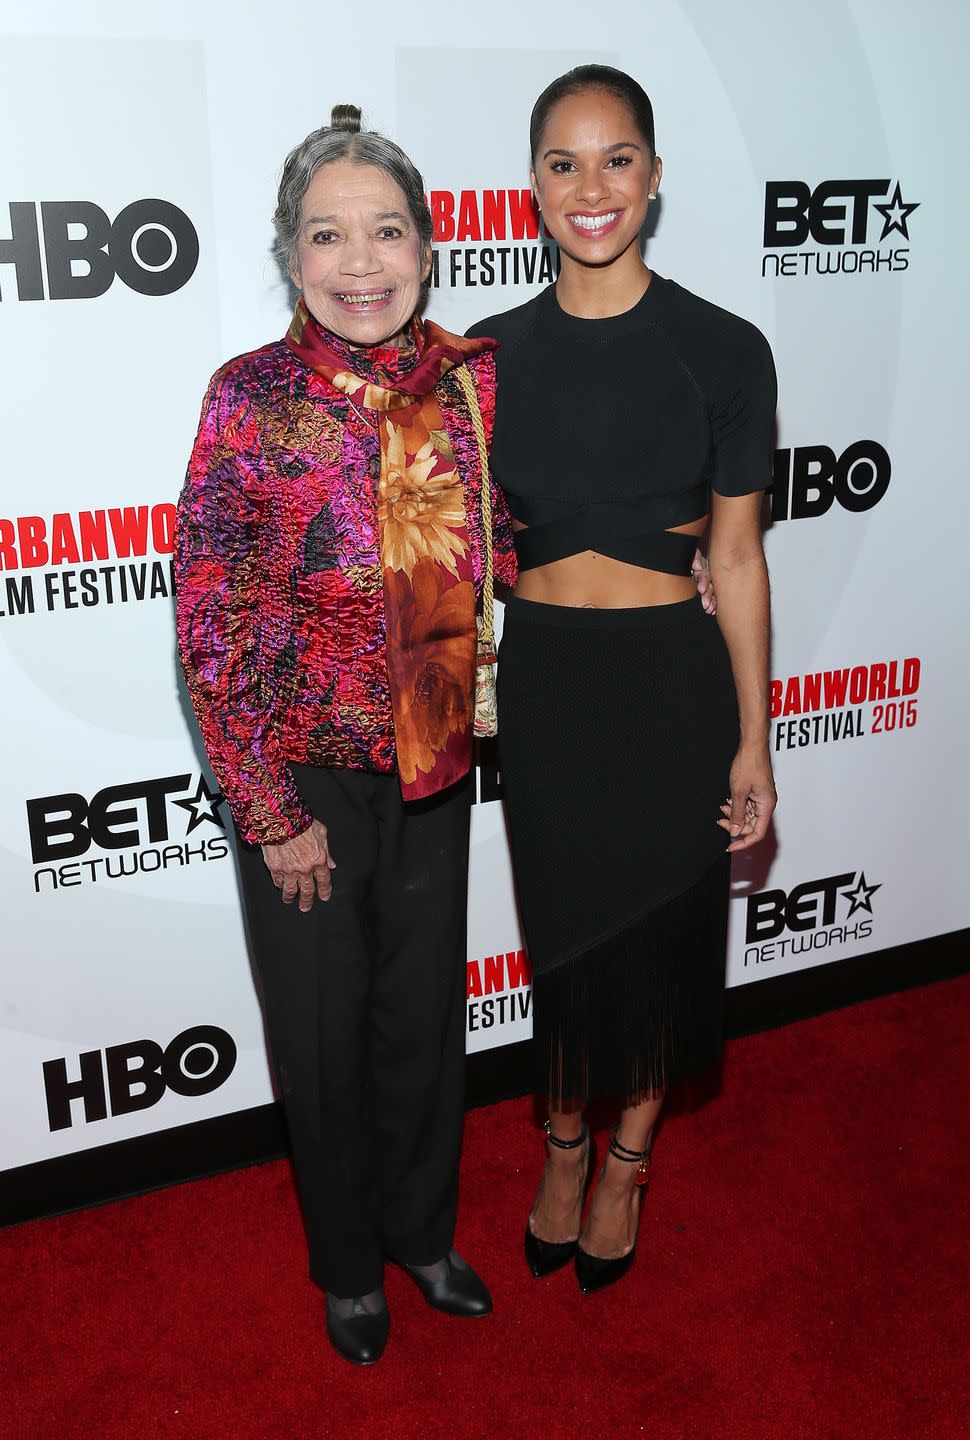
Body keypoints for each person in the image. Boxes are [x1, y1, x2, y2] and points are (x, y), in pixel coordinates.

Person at [174, 105, 517, 1365]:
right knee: (319, 1039)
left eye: (386, 232)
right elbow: (209, 611)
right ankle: (345, 1265)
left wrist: (662, 574)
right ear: (290, 254)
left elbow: (497, 545)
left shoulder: (469, 380)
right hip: (305, 780)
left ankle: (422, 1233)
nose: (360, 263)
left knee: (423, 1021)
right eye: (328, 235)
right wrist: (269, 811)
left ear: (428, 248)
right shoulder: (250, 399)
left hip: (434, 761)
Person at [468, 65, 778, 1293]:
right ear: (531, 186)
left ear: (653, 177)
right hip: (545, 689)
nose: (590, 187)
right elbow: (453, 544)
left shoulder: (724, 349)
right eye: (562, 162)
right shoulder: (486, 356)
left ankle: (627, 1162)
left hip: (668, 686)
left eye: (615, 160)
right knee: (564, 942)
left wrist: (755, 739)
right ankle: (558, 1139)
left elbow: (741, 560)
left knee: (660, 942)